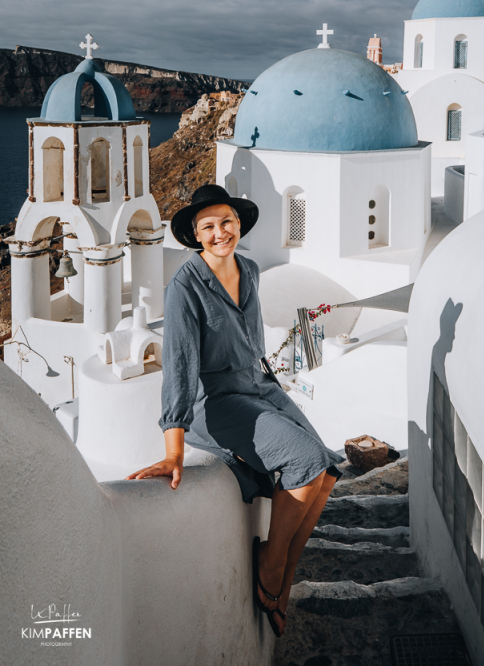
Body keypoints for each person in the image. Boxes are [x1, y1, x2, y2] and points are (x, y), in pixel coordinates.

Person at [125, 184, 343, 637]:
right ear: (196, 236)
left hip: (258, 384)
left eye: (226, 221)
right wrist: (174, 451)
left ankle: (285, 577)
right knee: (302, 461)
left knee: (325, 471)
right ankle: (272, 561)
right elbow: (180, 369)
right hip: (218, 401)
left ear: (239, 224)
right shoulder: (185, 288)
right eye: (208, 226)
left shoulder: (250, 268)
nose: (220, 231)